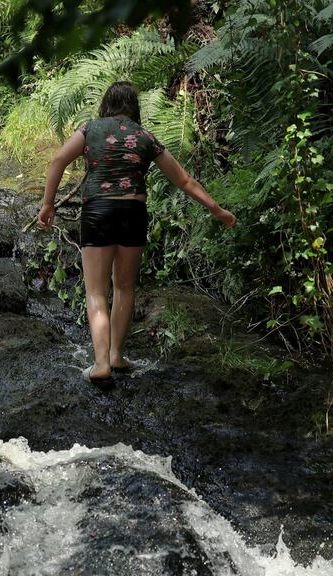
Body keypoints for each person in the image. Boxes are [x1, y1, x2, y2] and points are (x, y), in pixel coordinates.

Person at [37, 81, 236, 386]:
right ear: (134, 108)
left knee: (96, 292)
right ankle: (116, 355)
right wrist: (217, 209)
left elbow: (58, 160)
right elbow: (183, 180)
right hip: (133, 213)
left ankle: (101, 364)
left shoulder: (90, 129)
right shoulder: (145, 136)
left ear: (106, 104)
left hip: (99, 211)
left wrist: (48, 204)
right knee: (125, 287)